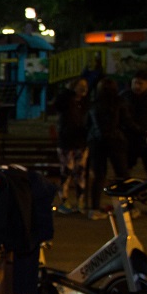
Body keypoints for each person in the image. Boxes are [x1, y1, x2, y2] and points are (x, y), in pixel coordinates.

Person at [85, 77, 131, 220]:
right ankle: (127, 207)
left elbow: (87, 124)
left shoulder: (94, 104)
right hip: (115, 140)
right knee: (122, 175)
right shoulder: (119, 102)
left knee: (99, 176)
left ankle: (94, 208)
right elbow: (126, 121)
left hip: (97, 141)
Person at [53, 77, 89, 214]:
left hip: (81, 142)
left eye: (85, 85)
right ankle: (64, 200)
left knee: (80, 172)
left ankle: (80, 201)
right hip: (67, 142)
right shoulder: (66, 100)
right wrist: (68, 92)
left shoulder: (85, 103)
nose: (83, 88)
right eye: (80, 85)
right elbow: (58, 105)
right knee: (66, 172)